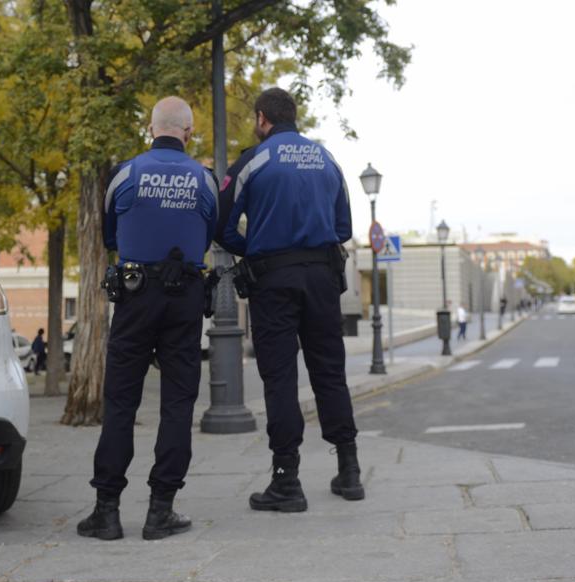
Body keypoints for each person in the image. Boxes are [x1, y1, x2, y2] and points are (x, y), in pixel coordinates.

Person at [76, 96, 218, 541]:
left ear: (150, 128)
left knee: (121, 402)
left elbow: (111, 235)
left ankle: (107, 511)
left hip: (135, 296)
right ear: (189, 133)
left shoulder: (124, 173)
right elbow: (211, 231)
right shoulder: (206, 180)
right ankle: (161, 510)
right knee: (177, 404)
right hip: (185, 299)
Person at [216, 87, 362, 513]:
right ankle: (350, 470)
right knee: (330, 372)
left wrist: (253, 247)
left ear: (263, 119)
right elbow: (344, 226)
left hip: (273, 279)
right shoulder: (327, 159)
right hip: (322, 277)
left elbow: (221, 223)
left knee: (280, 378)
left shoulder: (253, 161)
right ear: (292, 117)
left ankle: (287, 480)